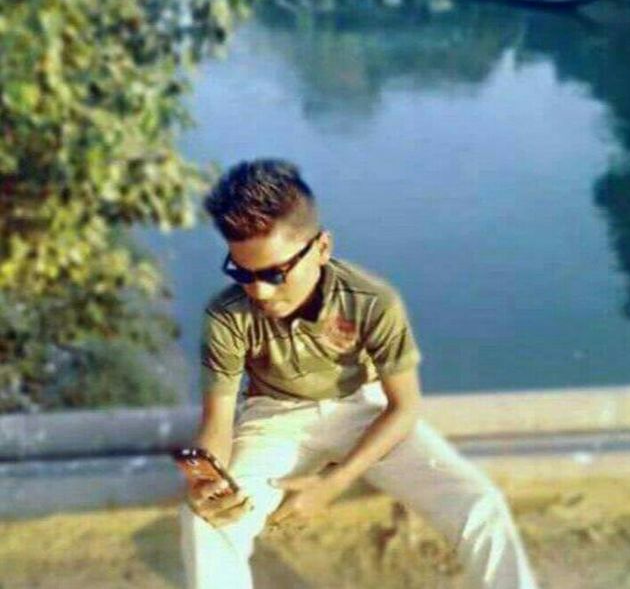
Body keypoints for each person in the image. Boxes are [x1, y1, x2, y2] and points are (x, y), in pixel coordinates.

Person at [180, 158, 539, 589]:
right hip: (272, 419)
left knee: (479, 503)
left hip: (363, 410)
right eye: (241, 272)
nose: (259, 290)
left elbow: (403, 409)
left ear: (322, 248)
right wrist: (209, 479)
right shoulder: (227, 315)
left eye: (275, 273)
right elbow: (217, 423)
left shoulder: (371, 301)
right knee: (206, 523)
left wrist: (331, 485)